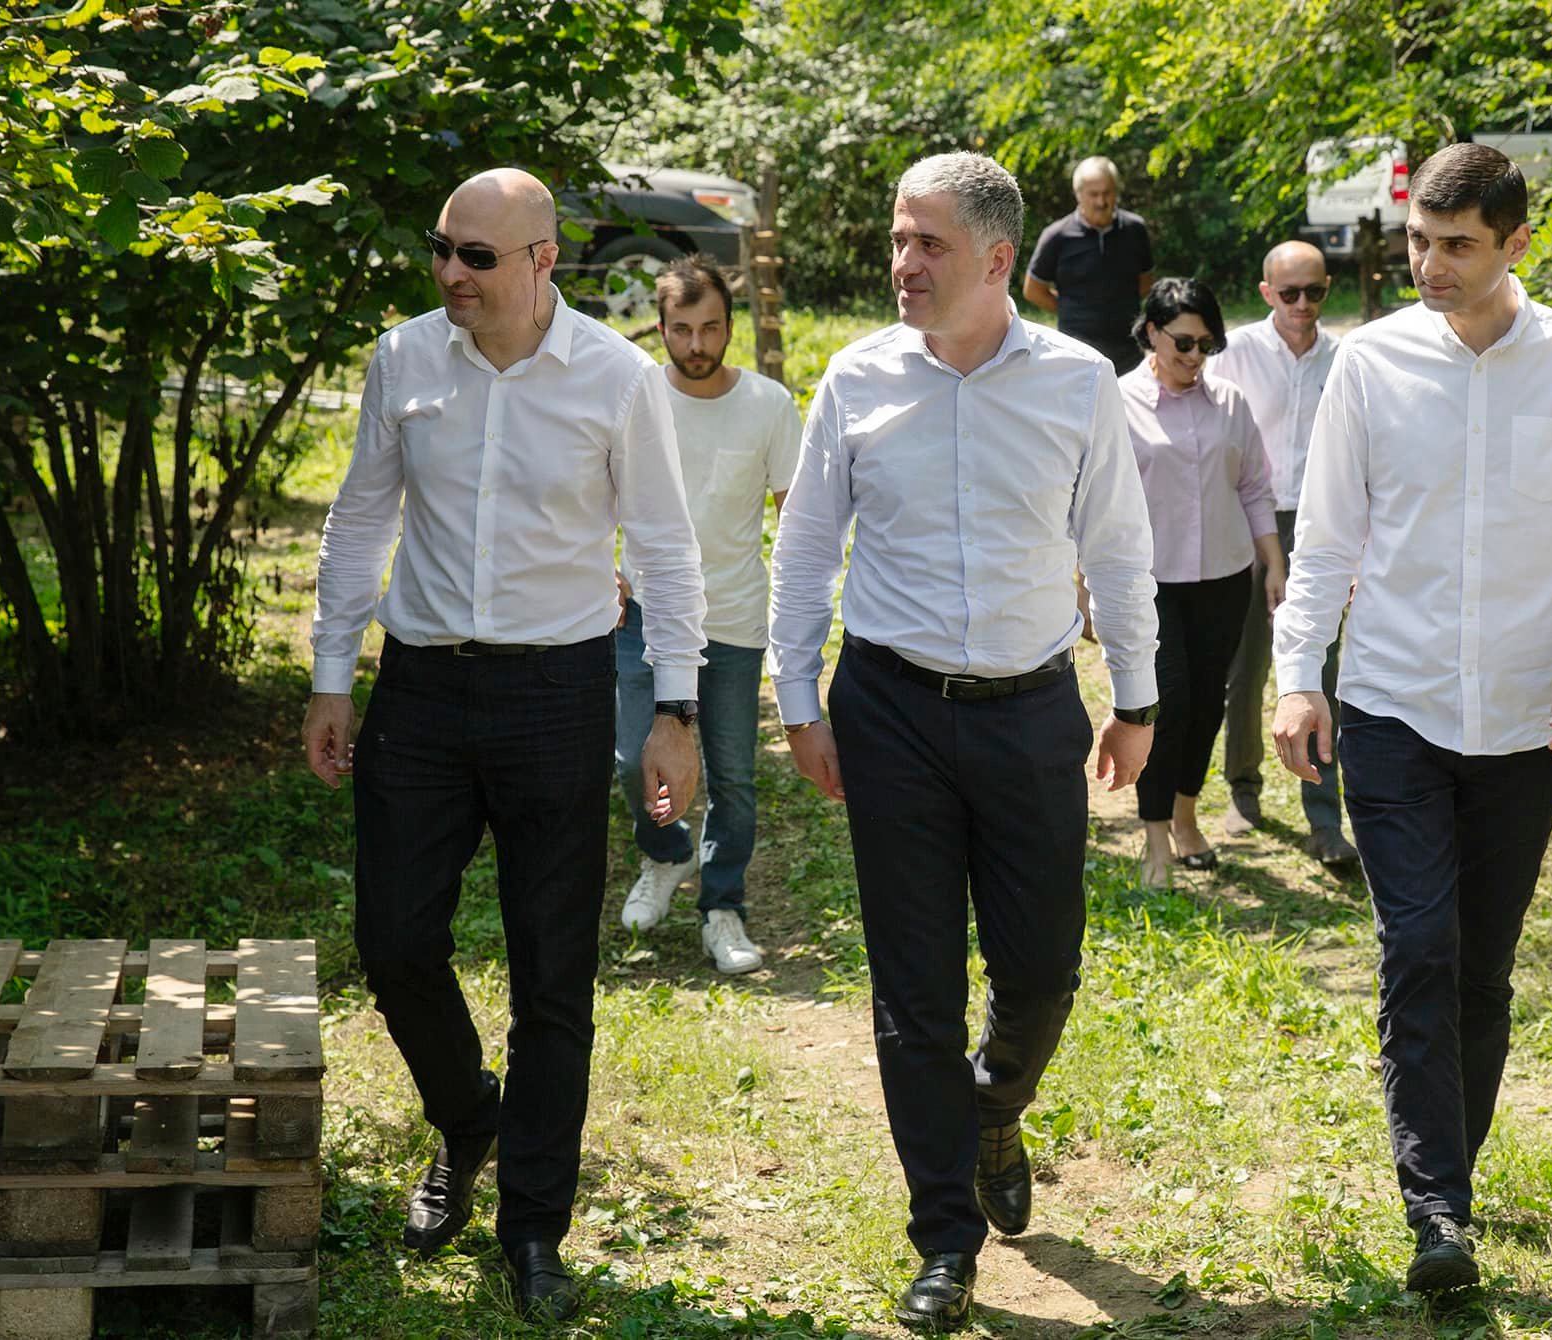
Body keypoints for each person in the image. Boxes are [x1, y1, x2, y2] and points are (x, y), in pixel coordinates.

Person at [301, 167, 708, 1324]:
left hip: (555, 694)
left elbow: (666, 548)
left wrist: (674, 709)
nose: (449, 273)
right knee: (393, 941)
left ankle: (533, 1225)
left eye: (475, 256)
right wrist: (332, 674)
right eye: (440, 248)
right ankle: (467, 1116)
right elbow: (361, 516)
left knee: (552, 977)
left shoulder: (617, 378)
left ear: (542, 261)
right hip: (422, 690)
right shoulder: (404, 358)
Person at [769, 152, 1160, 1333]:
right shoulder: (856, 377)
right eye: (898, 238)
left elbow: (1119, 548)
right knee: (914, 990)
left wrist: (1136, 699)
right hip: (888, 708)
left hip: (1031, 709)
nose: (902, 262)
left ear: (996, 261)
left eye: (926, 243)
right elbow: (807, 545)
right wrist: (798, 698)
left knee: (1041, 968)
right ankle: (944, 1235)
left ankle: (992, 1105)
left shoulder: (1078, 382)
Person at [1272, 143, 1552, 1293]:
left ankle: (1453, 1180)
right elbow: (1325, 540)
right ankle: (1434, 1207)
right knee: (1418, 945)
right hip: (1393, 704)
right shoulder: (1369, 363)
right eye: (1416, 243)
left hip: (1528, 716)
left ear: (1514, 243)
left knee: (1480, 966)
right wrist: (1298, 675)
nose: (1428, 266)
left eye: (1456, 245)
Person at [613, 254, 802, 974]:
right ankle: (667, 853)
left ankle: (723, 908)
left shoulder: (768, 405)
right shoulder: (634, 399)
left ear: (731, 326)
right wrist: (601, 563)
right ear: (660, 327)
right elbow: (590, 492)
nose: (697, 345)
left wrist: (796, 619)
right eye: (682, 329)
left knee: (733, 779)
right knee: (631, 761)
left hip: (732, 621)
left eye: (712, 328)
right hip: (644, 616)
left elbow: (797, 521)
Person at [1118, 277, 1284, 887]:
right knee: (1168, 704)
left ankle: (1186, 817)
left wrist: (1275, 564)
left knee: (1209, 702)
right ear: (1152, 333)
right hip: (1151, 584)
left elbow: (1255, 488)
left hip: (1224, 578)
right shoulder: (1118, 402)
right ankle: (1154, 838)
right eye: (1183, 343)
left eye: (1207, 345)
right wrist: (1082, 581)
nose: (1195, 357)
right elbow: (1093, 499)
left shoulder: (1230, 403)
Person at [1213, 241, 1360, 871]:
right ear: (1266, 292)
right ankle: (1242, 788)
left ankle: (1324, 818)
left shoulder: (1345, 357)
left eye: (1315, 292)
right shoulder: (1234, 353)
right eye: (1290, 293)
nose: (1303, 304)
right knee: (1246, 665)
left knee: (1320, 668)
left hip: (1323, 525)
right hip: (1249, 520)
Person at [1022, 156, 1155, 375]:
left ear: (1116, 192)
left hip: (1128, 353)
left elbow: (1146, 282)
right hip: (1076, 354)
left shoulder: (1135, 230)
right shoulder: (1057, 236)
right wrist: (1073, 309)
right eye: (1093, 194)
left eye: (1107, 193)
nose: (1101, 202)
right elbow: (1033, 290)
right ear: (1078, 195)